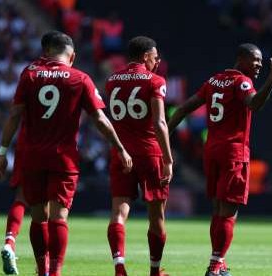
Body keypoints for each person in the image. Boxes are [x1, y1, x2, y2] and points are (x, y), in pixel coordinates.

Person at [0, 30, 132, 276]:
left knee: (38, 217)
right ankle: (55, 272)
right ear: (72, 55)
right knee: (59, 217)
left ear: (48, 51)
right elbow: (99, 119)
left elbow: (14, 115)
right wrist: (119, 147)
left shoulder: (30, 74)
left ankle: (43, 270)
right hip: (63, 156)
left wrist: (3, 152)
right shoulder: (79, 78)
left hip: (32, 155)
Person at [168, 44, 272, 276]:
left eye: (261, 61)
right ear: (240, 59)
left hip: (212, 151)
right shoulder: (243, 82)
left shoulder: (213, 81)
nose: (259, 65)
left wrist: (163, 141)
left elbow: (181, 110)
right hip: (234, 151)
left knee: (218, 209)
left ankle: (217, 262)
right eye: (256, 60)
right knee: (229, 211)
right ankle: (215, 265)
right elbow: (255, 104)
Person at [105, 36, 173, 276]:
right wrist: (168, 159)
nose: (158, 61)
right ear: (146, 57)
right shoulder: (155, 81)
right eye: (155, 57)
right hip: (148, 152)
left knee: (119, 212)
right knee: (156, 215)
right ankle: (154, 271)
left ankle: (119, 266)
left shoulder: (112, 80)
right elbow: (159, 122)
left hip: (121, 152)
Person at [0, 128, 27, 275]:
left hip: (27, 143)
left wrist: (2, 152)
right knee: (49, 202)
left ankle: (9, 243)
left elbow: (15, 114)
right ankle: (45, 260)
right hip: (55, 144)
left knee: (21, 198)